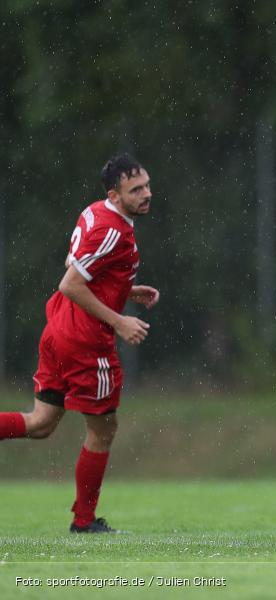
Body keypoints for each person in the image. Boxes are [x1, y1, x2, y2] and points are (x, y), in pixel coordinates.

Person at [0, 154, 159, 532]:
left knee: (41, 423)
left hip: (59, 331)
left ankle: (84, 520)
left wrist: (125, 289)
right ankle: (84, 522)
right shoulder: (114, 230)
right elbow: (70, 283)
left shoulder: (96, 213)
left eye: (147, 185)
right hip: (86, 343)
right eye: (135, 190)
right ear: (114, 195)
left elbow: (88, 273)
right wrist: (119, 320)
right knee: (103, 430)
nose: (146, 194)